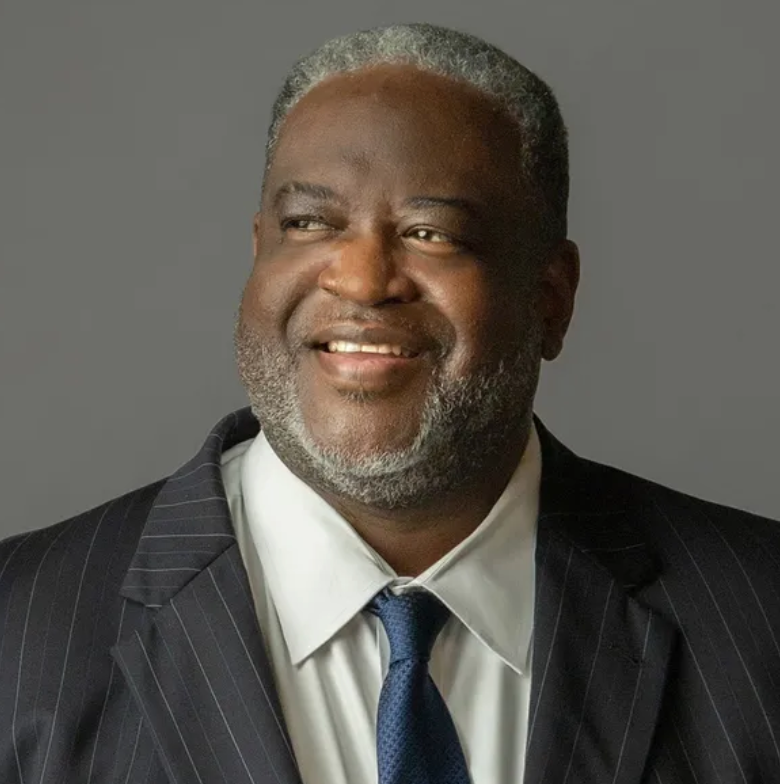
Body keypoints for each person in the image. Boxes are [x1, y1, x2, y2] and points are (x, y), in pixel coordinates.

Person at [1, 21, 778, 784]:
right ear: (259, 252)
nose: (362, 279)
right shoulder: (18, 628)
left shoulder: (758, 617)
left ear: (551, 298)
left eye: (430, 232)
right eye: (309, 223)